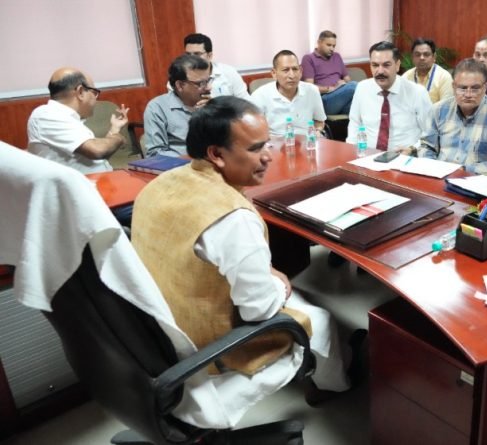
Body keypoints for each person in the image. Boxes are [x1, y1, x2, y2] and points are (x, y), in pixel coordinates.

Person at [131, 96, 350, 405]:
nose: (268, 156)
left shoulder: (162, 183)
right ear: (216, 154)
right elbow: (258, 310)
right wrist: (278, 283)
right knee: (322, 319)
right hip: (208, 345)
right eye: (255, 148)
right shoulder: (233, 218)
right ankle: (334, 387)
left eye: (267, 144)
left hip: (160, 326)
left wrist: (266, 269)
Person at [417, 58, 487, 175]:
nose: (468, 94)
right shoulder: (438, 110)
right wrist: (432, 168)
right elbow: (426, 146)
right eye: (462, 88)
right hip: (437, 176)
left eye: (475, 88)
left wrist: (464, 170)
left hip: (475, 181)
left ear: (485, 88)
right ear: (453, 87)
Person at [27, 67, 129, 174]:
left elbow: (98, 158)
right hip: (85, 183)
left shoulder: (66, 117)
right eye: (94, 92)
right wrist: (119, 138)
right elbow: (97, 150)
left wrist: (114, 129)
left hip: (101, 179)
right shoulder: (46, 115)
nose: (96, 98)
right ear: (80, 92)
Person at [346, 41, 432, 153]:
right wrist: (350, 151)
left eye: (386, 65)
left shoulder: (417, 92)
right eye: (375, 65)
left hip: (405, 156)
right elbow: (354, 123)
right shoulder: (362, 88)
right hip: (368, 155)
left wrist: (413, 149)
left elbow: (430, 133)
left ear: (397, 65)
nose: (380, 71)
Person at [144, 54, 211, 157]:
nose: (209, 87)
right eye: (200, 83)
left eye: (208, 81)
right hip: (180, 165)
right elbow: (155, 154)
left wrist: (216, 114)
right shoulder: (157, 107)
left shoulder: (212, 105)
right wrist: (196, 159)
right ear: (180, 85)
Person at [250, 50, 326, 140]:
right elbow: (253, 131)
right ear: (274, 73)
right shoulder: (260, 95)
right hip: (275, 143)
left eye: (295, 69)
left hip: (306, 141)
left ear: (301, 71)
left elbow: (319, 121)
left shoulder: (312, 91)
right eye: (285, 70)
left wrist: (318, 131)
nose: (292, 75)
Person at [178, 33, 251, 101]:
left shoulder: (229, 72)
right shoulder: (180, 77)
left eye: (197, 54)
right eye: (188, 54)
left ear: (209, 56)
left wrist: (213, 105)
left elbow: (246, 103)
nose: (191, 59)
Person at [301, 30, 357, 115]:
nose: (332, 49)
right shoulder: (308, 58)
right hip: (324, 101)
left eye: (334, 46)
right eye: (328, 45)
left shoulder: (337, 56)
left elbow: (348, 80)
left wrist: (343, 85)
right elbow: (309, 88)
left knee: (363, 106)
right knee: (354, 85)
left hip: (340, 100)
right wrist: (333, 88)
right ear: (319, 42)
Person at [401, 37, 454, 104]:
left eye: (426, 54)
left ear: (434, 57)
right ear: (413, 57)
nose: (421, 58)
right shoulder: (406, 77)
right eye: (417, 54)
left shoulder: (444, 77)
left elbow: (446, 105)